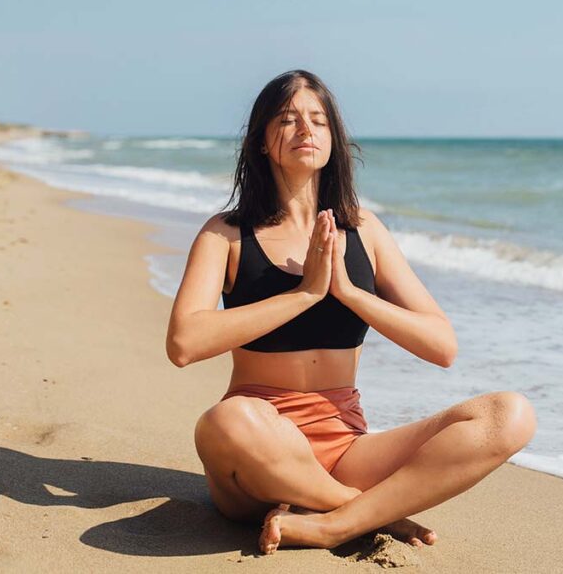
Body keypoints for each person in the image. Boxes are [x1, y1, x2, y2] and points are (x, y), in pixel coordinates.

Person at [165, 69, 537, 554]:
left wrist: (349, 292)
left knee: (509, 415)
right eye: (288, 119)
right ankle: (366, 511)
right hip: (259, 451)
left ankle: (331, 523)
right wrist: (303, 295)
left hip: (346, 447)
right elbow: (183, 343)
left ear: (333, 139)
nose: (306, 131)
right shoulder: (227, 233)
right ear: (260, 141)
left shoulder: (364, 230)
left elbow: (442, 346)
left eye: (318, 121)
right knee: (225, 421)